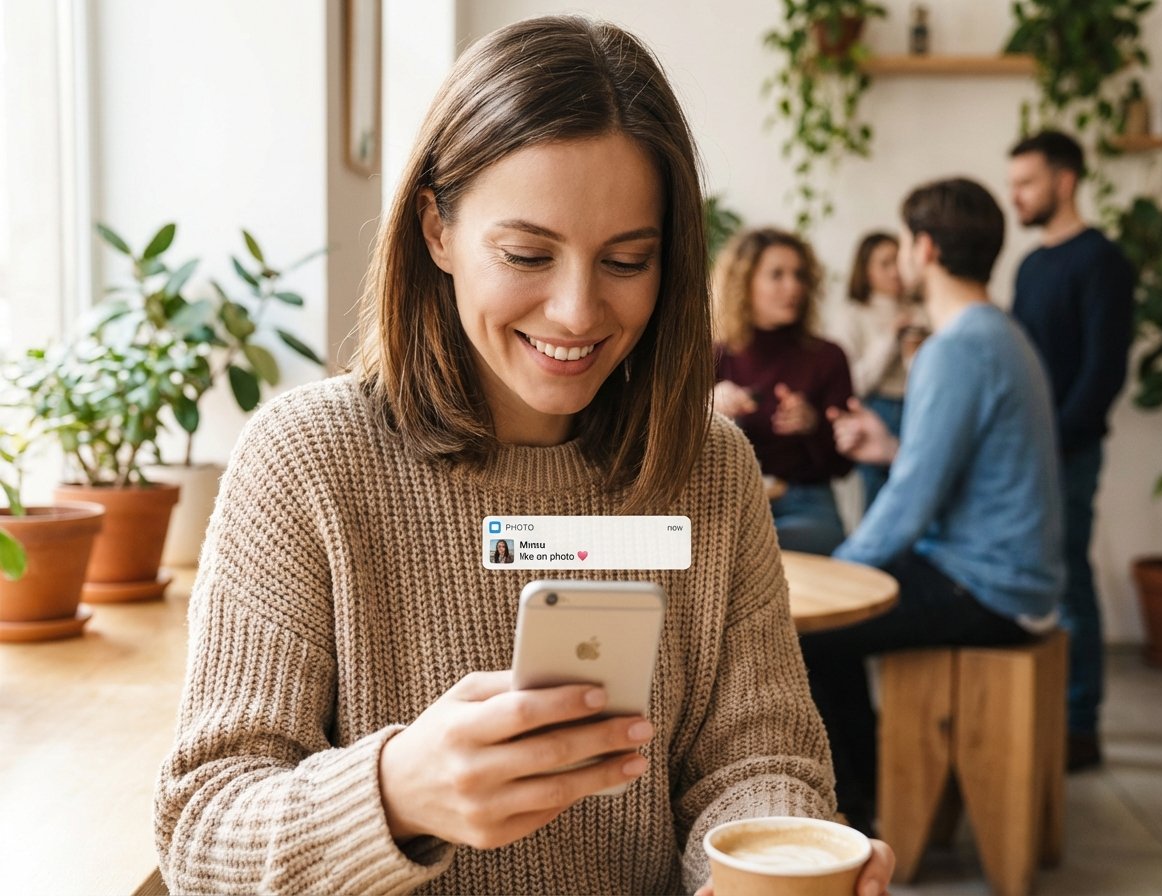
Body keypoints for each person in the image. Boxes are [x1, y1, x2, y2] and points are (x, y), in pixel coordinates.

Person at [153, 16, 893, 896]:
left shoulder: (710, 470)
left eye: (626, 260)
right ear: (437, 230)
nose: (578, 312)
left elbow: (758, 763)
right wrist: (393, 795)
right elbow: (203, 830)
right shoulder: (307, 460)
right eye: (527, 254)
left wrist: (773, 858)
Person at [801, 178, 1064, 835]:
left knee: (810, 636)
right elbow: (961, 467)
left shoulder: (953, 349)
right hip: (1015, 578)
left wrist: (839, 577)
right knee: (831, 629)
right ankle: (886, 780)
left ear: (923, 248)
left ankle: (857, 809)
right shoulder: (1002, 333)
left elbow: (913, 504)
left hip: (985, 586)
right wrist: (892, 447)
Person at [1008, 130, 1134, 772]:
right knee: (1045, 579)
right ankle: (1049, 716)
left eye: (1026, 182)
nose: (1015, 196)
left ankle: (1080, 725)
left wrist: (1054, 446)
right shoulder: (1030, 266)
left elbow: (1103, 372)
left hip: (1069, 454)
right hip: (1026, 456)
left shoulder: (1101, 260)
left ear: (1065, 180)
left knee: (1070, 577)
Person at [712, 229, 853, 556]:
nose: (793, 287)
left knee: (781, 548)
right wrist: (707, 410)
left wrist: (814, 425)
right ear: (743, 283)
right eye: (777, 275)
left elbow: (843, 465)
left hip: (805, 500)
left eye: (799, 275)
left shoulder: (828, 356)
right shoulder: (711, 356)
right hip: (727, 501)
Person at [827, 231, 929, 510]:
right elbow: (853, 382)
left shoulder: (923, 310)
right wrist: (890, 340)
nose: (895, 271)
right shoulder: (851, 315)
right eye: (884, 264)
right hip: (877, 410)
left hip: (919, 407)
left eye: (898, 261)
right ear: (865, 270)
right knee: (879, 502)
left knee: (921, 494)